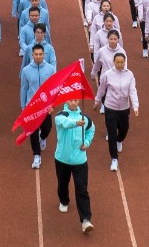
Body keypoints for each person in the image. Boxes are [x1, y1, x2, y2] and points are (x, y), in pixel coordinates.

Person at [53, 100, 97, 233]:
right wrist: (77, 123)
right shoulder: (60, 116)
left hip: (80, 161)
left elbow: (91, 130)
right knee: (62, 184)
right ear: (66, 101)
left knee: (82, 189)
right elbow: (66, 123)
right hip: (62, 159)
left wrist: (87, 143)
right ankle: (64, 200)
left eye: (76, 100)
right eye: (71, 100)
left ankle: (86, 220)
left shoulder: (86, 119)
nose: (73, 102)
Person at [96, 50, 140, 171]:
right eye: (117, 62)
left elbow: (132, 90)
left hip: (124, 108)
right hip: (110, 107)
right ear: (113, 62)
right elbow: (102, 89)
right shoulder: (107, 75)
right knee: (111, 133)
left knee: (124, 129)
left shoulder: (129, 75)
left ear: (125, 62)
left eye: (122, 62)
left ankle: (120, 140)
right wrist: (97, 100)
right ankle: (114, 159)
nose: (120, 64)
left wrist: (135, 106)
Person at [20, 43, 56, 169]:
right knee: (32, 131)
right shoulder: (26, 70)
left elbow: (54, 88)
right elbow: (24, 88)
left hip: (46, 105)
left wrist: (52, 104)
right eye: (36, 54)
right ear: (32, 55)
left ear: (44, 55)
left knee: (47, 127)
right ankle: (36, 155)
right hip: (32, 106)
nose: (38, 56)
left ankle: (43, 137)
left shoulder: (51, 69)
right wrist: (23, 107)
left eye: (40, 54)